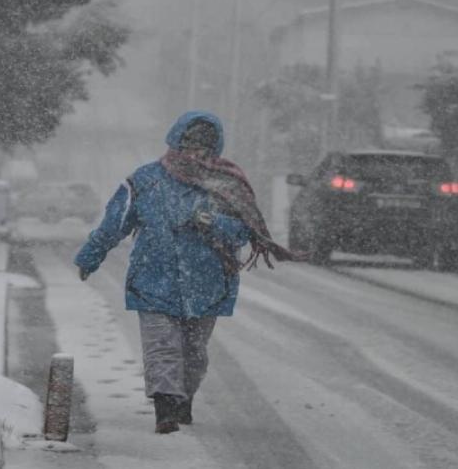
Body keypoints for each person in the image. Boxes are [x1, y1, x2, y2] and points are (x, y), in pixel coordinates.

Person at [74, 110, 303, 434]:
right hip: (152, 280)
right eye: (190, 143)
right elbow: (115, 223)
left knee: (193, 353)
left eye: (205, 145)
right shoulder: (145, 180)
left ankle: (183, 399)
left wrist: (215, 222)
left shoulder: (227, 186)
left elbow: (243, 233)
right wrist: (90, 256)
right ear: (176, 142)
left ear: (216, 147)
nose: (196, 152)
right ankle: (165, 406)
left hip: (207, 284)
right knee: (162, 347)